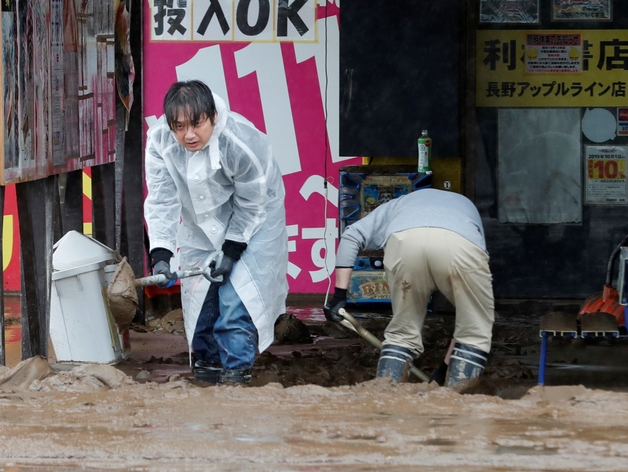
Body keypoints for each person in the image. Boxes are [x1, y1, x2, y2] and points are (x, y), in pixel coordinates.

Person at [144, 80, 288, 385]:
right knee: (199, 301)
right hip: (199, 224)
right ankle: (207, 373)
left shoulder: (241, 143)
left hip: (256, 219)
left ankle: (236, 377)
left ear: (213, 117)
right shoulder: (159, 143)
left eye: (197, 124)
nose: (189, 135)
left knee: (237, 299)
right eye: (179, 126)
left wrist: (232, 250)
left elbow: (252, 203)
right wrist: (161, 254)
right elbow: (161, 199)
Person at [323, 188, 494, 388]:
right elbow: (468, 323)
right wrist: (443, 372)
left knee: (401, 335)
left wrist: (339, 296)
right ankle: (457, 406)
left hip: (405, 244)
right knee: (474, 332)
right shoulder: (466, 205)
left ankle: (385, 403)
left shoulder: (396, 205)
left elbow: (351, 236)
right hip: (460, 244)